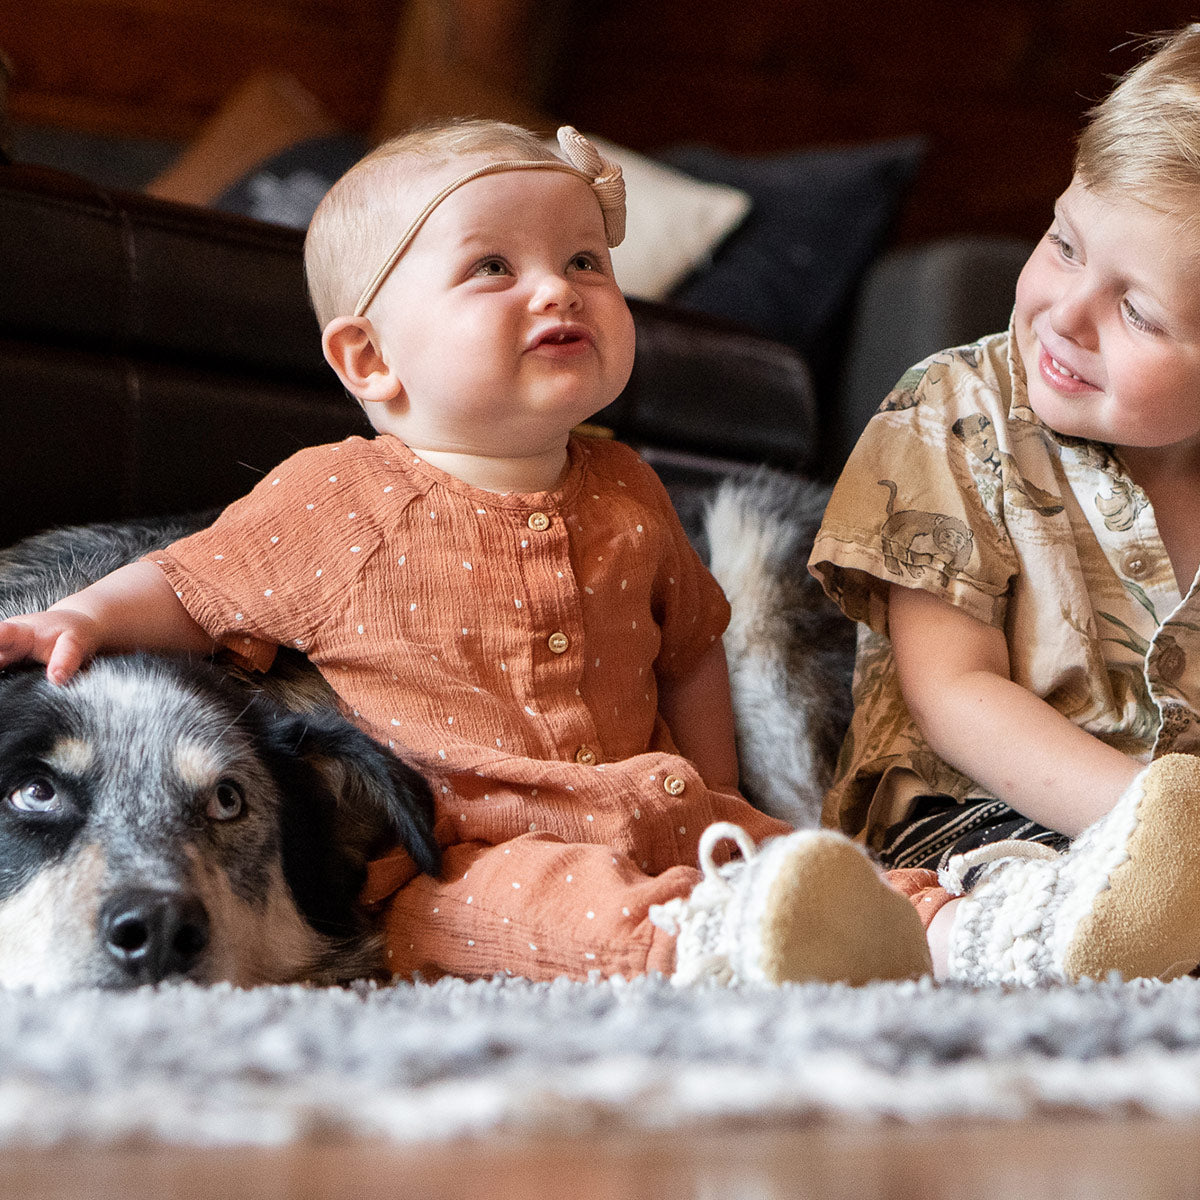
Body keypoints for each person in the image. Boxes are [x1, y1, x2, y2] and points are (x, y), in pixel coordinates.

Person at [0, 119, 932, 987]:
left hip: (667, 800)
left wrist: (720, 797)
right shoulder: (327, 508)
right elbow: (190, 586)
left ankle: (968, 911)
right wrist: (76, 619)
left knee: (817, 847)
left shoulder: (632, 490)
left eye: (586, 262)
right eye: (493, 265)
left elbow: (693, 647)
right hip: (495, 844)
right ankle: (732, 940)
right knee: (532, 917)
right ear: (370, 358)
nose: (559, 289)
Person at [810, 25, 1200, 986]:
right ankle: (1021, 938)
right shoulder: (952, 412)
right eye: (1063, 244)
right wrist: (1163, 821)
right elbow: (954, 698)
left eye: (1139, 312)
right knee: (1003, 876)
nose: (1065, 313)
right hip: (975, 808)